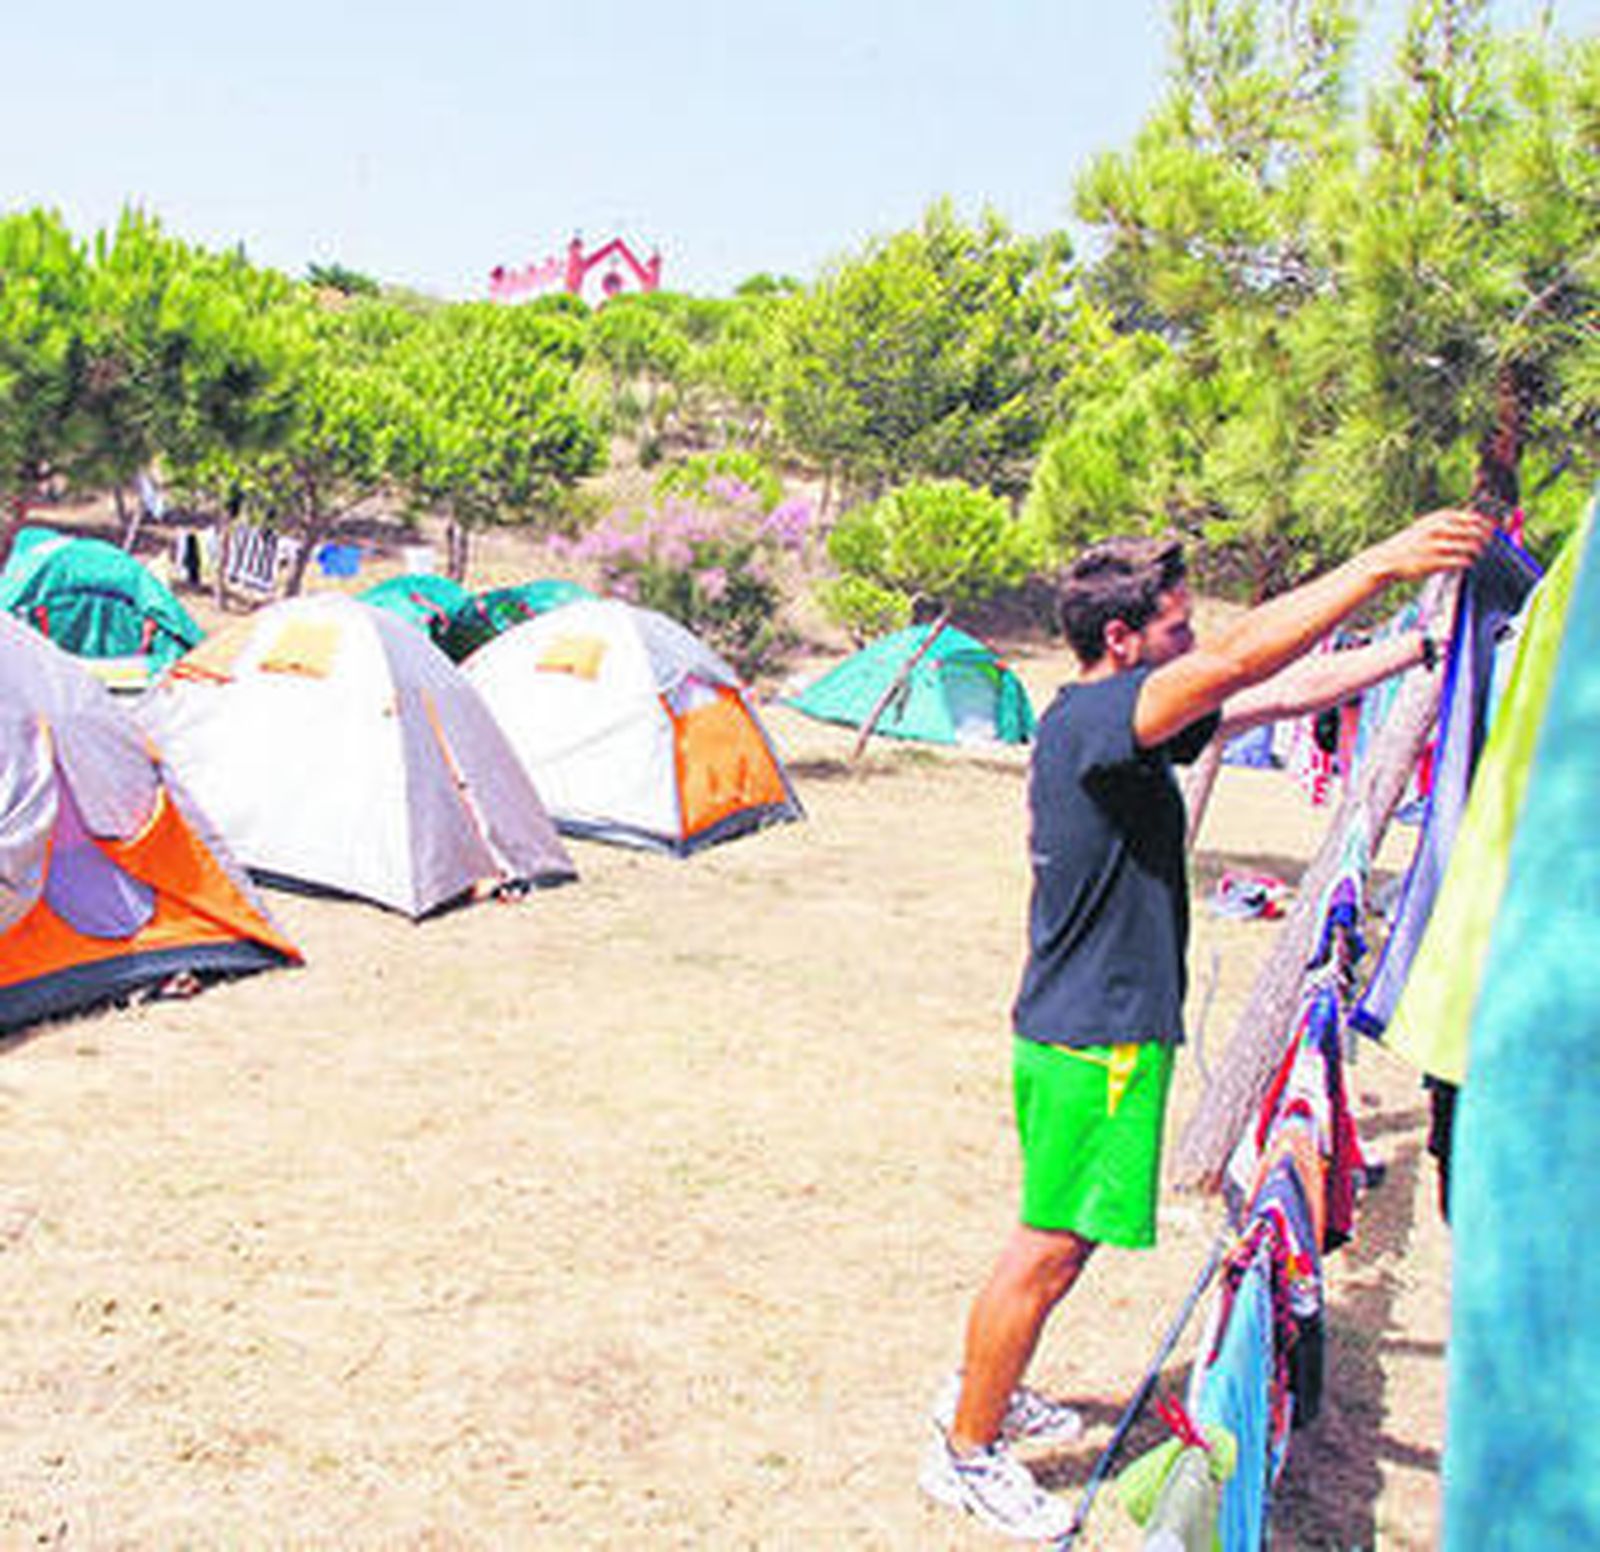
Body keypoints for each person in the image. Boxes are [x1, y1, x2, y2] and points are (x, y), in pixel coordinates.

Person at [918, 508, 1495, 1541]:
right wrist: (1380, 562)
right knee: (1047, 1245)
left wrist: (1410, 650)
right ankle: (965, 1448)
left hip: (1094, 1029)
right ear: (1121, 641)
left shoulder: (1113, 719)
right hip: (1088, 1038)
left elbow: (1264, 688)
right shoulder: (1098, 722)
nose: (1196, 641)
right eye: (1177, 629)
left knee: (1068, 1237)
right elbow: (1235, 659)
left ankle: (988, 1393)